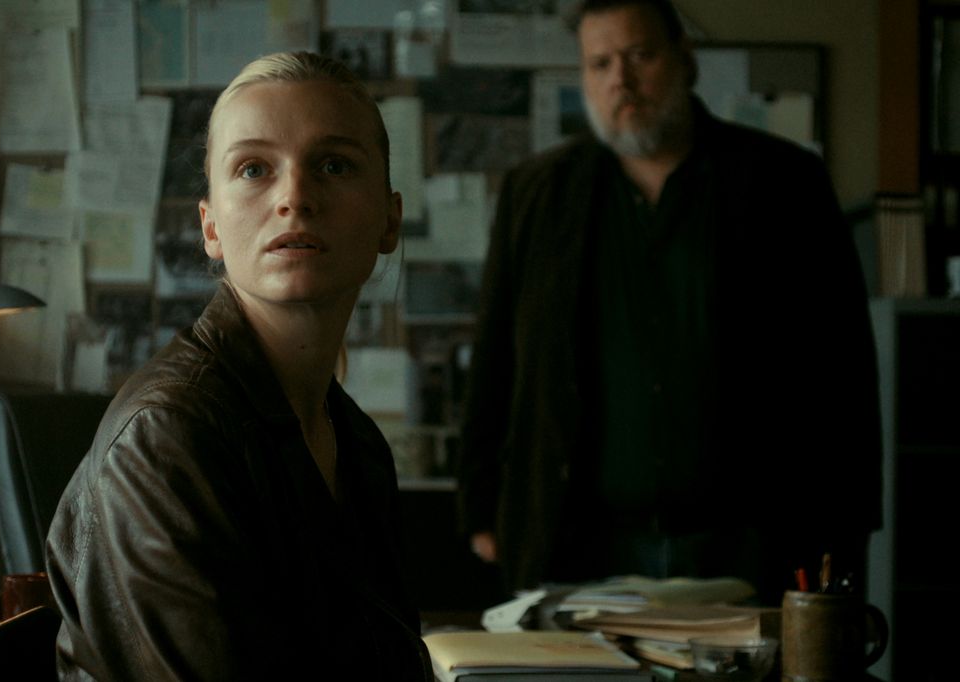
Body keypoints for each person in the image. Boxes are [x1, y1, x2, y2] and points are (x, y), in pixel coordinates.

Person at [457, 0, 882, 606]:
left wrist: (849, 525)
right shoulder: (538, 193)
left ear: (685, 58)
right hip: (581, 545)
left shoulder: (786, 182)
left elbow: (843, 367)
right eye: (600, 63)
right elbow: (495, 358)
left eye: (640, 56)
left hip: (751, 542)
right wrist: (479, 506)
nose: (620, 80)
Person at [46, 52, 433, 680]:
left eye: (334, 165)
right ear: (211, 228)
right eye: (254, 169)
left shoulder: (358, 442)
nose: (295, 197)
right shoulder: (165, 437)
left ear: (389, 220)